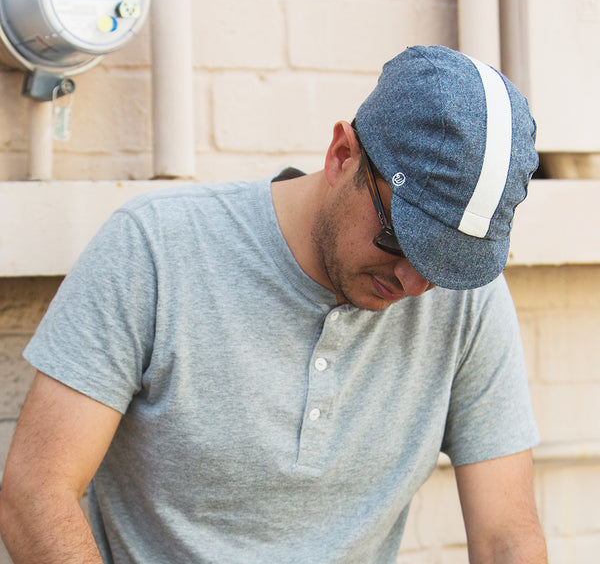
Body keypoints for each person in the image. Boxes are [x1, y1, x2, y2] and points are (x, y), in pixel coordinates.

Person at [0, 45, 547, 563]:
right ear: (341, 155)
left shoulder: (468, 306)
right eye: (397, 239)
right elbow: (34, 492)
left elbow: (506, 539)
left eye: (444, 266)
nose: (412, 281)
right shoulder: (156, 248)